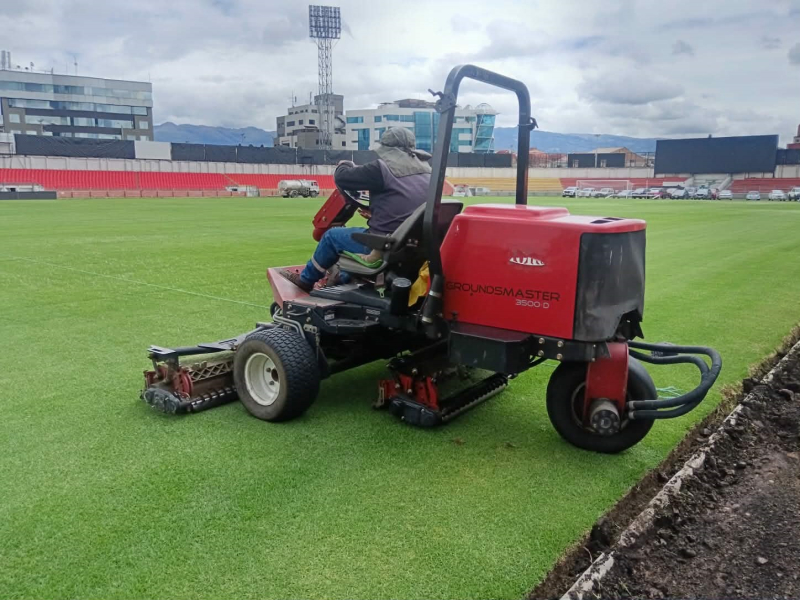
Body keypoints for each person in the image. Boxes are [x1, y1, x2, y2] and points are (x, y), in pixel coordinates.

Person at [282, 127, 432, 292]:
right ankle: (342, 278)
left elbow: (342, 177)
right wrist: (374, 212)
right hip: (414, 244)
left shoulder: (381, 169)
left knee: (332, 236)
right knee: (349, 240)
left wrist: (344, 164)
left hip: (385, 245)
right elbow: (403, 202)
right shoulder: (428, 171)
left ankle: (305, 280)